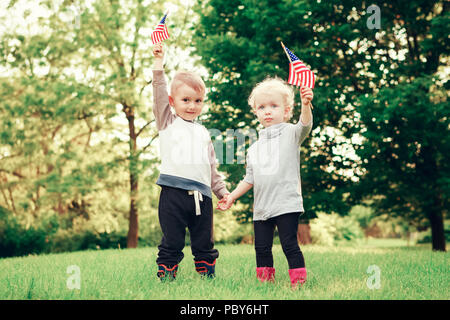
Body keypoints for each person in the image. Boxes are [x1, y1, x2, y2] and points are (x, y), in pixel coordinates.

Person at [217, 77, 313, 288]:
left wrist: (306, 105)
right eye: (262, 107)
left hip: (286, 203)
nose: (267, 111)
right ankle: (265, 283)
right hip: (262, 207)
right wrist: (231, 195)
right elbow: (249, 179)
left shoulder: (291, 133)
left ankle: (298, 283)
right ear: (256, 112)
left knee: (289, 244)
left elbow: (305, 125)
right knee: (261, 247)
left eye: (273, 106)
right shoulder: (254, 149)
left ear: (286, 111)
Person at [152, 43, 229, 281]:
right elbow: (158, 90)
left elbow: (211, 168)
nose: (192, 105)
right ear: (172, 101)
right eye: (186, 99)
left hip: (202, 197)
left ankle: (206, 273)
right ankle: (167, 275)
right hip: (173, 193)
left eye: (198, 100)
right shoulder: (167, 121)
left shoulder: (205, 133)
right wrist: (158, 63)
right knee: (173, 239)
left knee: (204, 239)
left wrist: (222, 191)